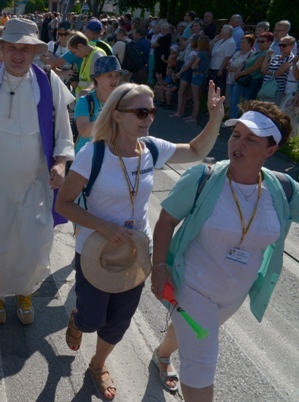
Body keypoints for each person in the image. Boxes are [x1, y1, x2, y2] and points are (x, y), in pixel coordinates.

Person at [55, 81, 223, 400]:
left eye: (153, 111)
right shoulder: (94, 152)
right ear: (117, 115)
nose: (149, 118)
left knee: (118, 321)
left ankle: (98, 364)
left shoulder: (152, 149)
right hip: (95, 252)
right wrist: (102, 226)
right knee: (92, 319)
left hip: (136, 253)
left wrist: (214, 118)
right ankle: (78, 320)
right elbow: (63, 204)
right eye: (141, 111)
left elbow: (199, 151)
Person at [150, 101, 296, 402]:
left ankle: (161, 354)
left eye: (250, 139)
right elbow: (166, 220)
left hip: (235, 293)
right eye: (236, 135)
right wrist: (160, 266)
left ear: (270, 151)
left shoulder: (283, 189)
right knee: (201, 364)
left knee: (187, 334)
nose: (237, 144)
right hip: (192, 286)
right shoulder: (202, 178)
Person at [0, 18, 74, 325]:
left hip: (36, 183)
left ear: (34, 51)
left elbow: (63, 129)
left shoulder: (49, 80)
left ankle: (24, 290)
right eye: (12, 48)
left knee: (33, 243)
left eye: (25, 48)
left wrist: (60, 162)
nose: (18, 55)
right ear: (1, 49)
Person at [73, 56, 126, 153]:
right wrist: (111, 119)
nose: (114, 79)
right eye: (109, 75)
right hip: (86, 159)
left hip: (112, 157)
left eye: (117, 75)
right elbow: (84, 131)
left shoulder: (123, 102)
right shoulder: (85, 101)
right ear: (97, 77)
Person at [235, 32, 273, 101]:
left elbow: (255, 67)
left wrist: (240, 74)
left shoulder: (265, 53)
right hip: (248, 79)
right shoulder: (258, 52)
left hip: (254, 80)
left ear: (269, 42)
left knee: (249, 101)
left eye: (262, 41)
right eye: (258, 41)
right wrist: (239, 71)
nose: (259, 43)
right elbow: (247, 62)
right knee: (244, 100)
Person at [226, 35, 255, 119]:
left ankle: (233, 119)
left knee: (236, 100)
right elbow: (230, 61)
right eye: (241, 42)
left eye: (243, 42)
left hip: (239, 79)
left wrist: (234, 69)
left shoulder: (251, 54)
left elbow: (246, 67)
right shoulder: (238, 52)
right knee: (231, 99)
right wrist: (229, 67)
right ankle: (231, 117)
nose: (241, 44)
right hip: (231, 78)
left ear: (250, 43)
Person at [260, 36, 296, 104]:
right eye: (280, 45)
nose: (281, 47)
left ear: (292, 46)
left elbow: (277, 73)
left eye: (284, 45)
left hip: (276, 89)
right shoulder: (275, 57)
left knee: (272, 111)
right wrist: (267, 56)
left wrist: (266, 72)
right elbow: (262, 70)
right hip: (265, 86)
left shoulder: (291, 59)